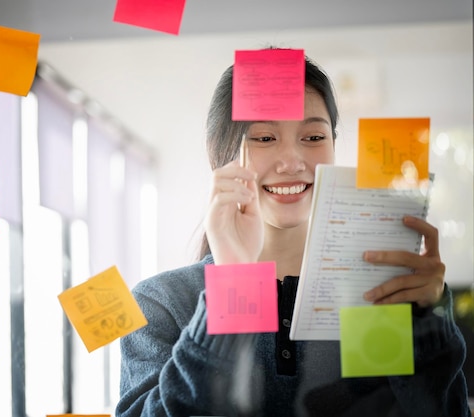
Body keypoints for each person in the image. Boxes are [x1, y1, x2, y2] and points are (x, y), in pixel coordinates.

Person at [115, 51, 471, 417]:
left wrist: (429, 325)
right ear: (219, 154)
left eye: (314, 136)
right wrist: (233, 286)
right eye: (265, 138)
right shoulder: (162, 303)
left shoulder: (377, 295)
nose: (292, 161)